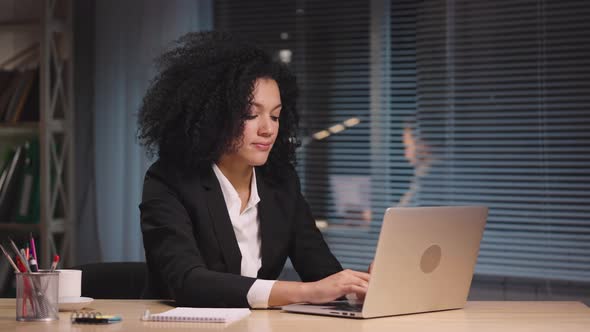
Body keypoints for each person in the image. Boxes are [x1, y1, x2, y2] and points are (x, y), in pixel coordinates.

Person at [137, 31, 370, 308]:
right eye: (251, 114)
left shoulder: (281, 183)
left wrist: (360, 287)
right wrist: (306, 292)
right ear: (212, 115)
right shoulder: (168, 181)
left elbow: (322, 273)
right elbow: (188, 282)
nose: (268, 129)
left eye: (275, 116)